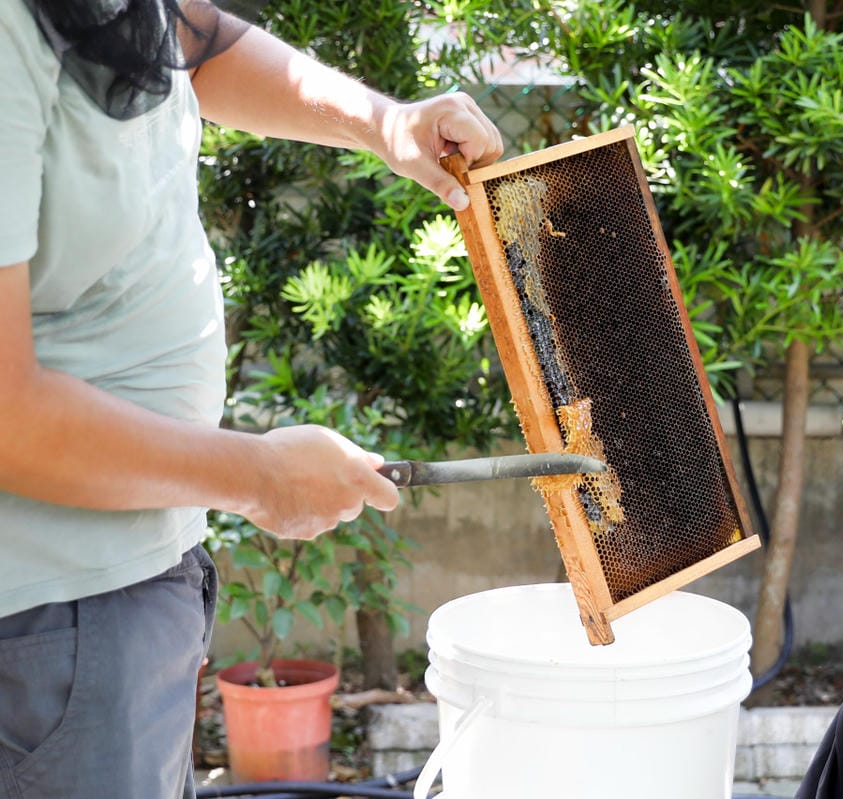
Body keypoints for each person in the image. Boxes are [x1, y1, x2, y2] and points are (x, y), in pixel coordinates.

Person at [0, 1, 504, 796]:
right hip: (51, 620)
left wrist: (386, 124)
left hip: (139, 582)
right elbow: (7, 416)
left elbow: (188, 42)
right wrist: (258, 477)